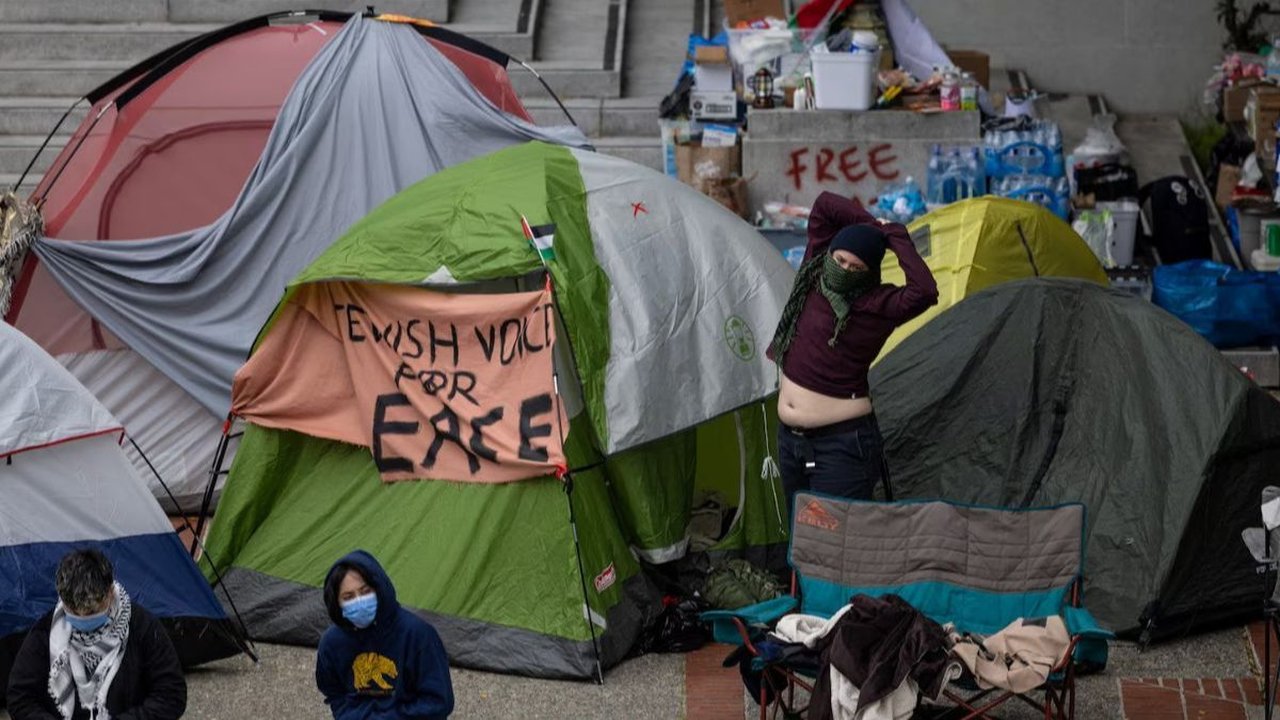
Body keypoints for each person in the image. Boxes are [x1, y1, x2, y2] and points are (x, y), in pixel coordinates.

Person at [767, 191, 938, 511]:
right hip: (791, 441)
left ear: (870, 273)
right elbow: (823, 206)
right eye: (840, 260)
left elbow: (925, 291)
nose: (844, 269)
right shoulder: (815, 273)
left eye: (856, 267)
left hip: (841, 446)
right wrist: (873, 225)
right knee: (801, 539)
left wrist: (894, 235)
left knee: (833, 545)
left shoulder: (878, 304)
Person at [6, 548, 186, 720]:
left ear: (110, 593)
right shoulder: (46, 631)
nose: (83, 618)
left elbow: (171, 694)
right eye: (74, 612)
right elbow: (20, 697)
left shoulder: (142, 626)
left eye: (92, 612)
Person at [316, 550, 453, 720]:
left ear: (379, 588)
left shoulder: (418, 635)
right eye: (348, 596)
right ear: (336, 603)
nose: (359, 601)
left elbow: (439, 701)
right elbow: (334, 692)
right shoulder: (331, 643)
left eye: (365, 591)